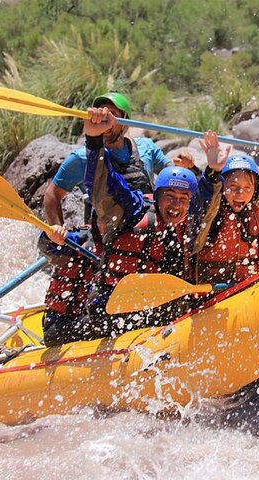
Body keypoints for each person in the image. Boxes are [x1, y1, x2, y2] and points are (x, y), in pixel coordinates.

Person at [40, 107, 198, 343]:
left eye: (183, 199)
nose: (176, 205)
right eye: (170, 197)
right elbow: (104, 186)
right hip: (109, 314)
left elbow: (214, 202)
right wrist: (94, 140)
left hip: (149, 312)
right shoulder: (130, 213)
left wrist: (214, 171)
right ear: (157, 194)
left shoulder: (184, 225)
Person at [43, 91, 193, 245]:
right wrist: (57, 227)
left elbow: (172, 181)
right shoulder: (81, 157)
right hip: (105, 232)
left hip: (150, 227)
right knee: (47, 242)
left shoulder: (146, 147)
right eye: (100, 113)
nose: (104, 119)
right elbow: (53, 193)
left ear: (125, 122)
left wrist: (182, 166)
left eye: (112, 114)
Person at [187, 131, 259, 284]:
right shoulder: (212, 214)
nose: (241, 194)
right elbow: (207, 201)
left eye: (247, 188)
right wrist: (213, 172)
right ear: (222, 186)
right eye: (233, 186)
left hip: (246, 290)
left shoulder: (251, 207)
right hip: (212, 297)